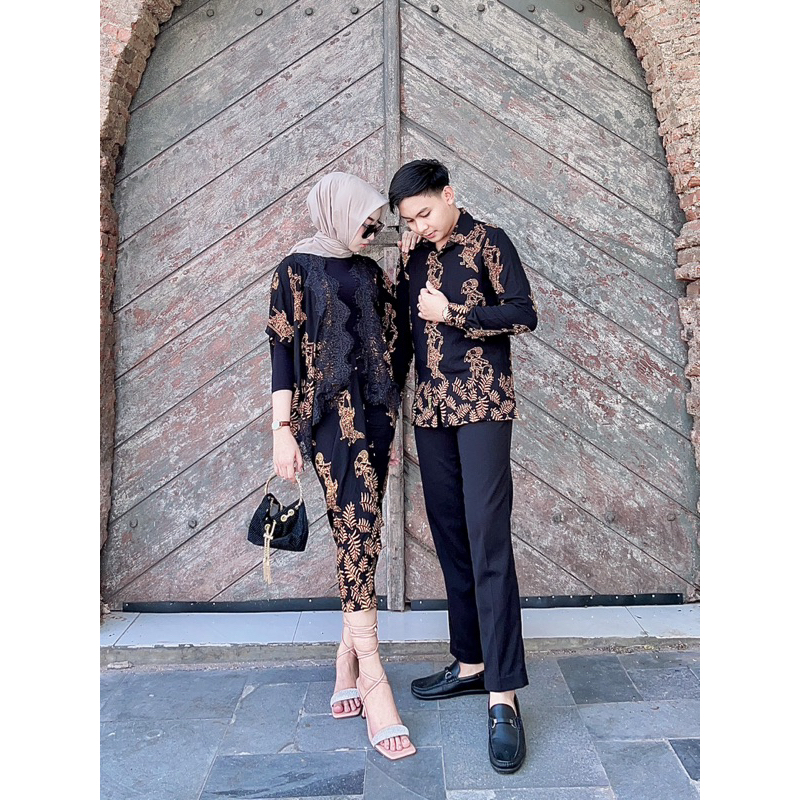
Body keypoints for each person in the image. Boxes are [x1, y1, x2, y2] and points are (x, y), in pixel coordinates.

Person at [389, 158, 538, 774]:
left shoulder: (491, 242)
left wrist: (453, 314)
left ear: (449, 194)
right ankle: (471, 662)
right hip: (431, 413)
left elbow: (523, 313)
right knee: (451, 537)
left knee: (487, 540)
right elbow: (403, 340)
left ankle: (503, 696)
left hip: (483, 406)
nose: (419, 226)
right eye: (408, 221)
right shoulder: (413, 259)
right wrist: (389, 415)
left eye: (424, 213)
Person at [266, 172, 415, 761]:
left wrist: (407, 264)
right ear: (338, 212)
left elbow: (396, 340)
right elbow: (281, 353)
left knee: (366, 531)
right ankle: (373, 672)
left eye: (378, 225)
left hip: (376, 415)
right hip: (327, 417)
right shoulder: (295, 269)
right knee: (354, 525)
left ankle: (344, 659)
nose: (372, 232)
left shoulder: (371, 273)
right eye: (367, 222)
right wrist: (281, 431)